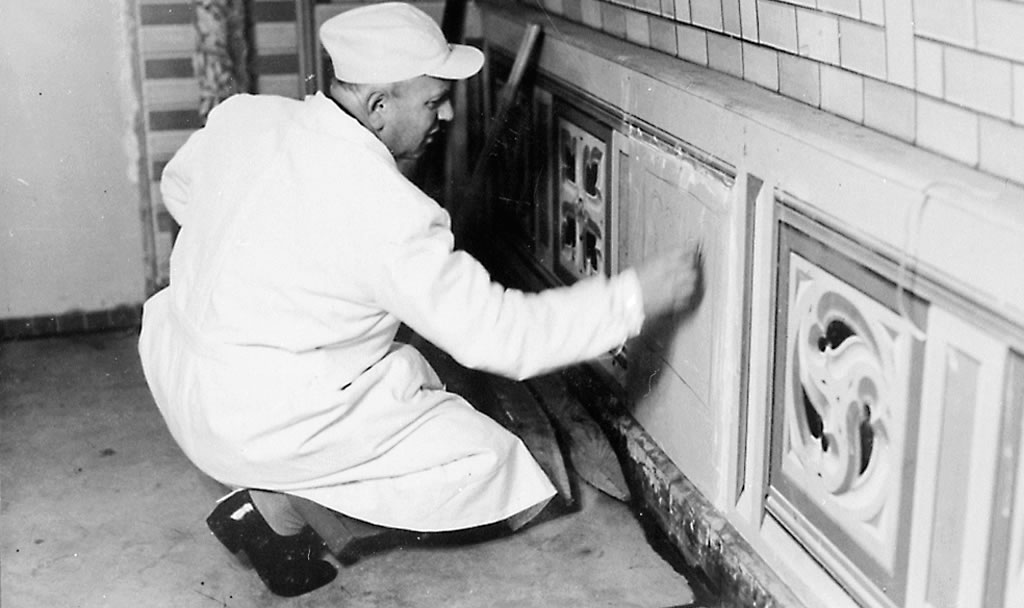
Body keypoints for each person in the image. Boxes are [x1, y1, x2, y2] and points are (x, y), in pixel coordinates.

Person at [138, 1, 700, 598]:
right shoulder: (386, 209)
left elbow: (180, 188)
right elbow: (500, 336)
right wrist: (635, 297)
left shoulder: (247, 118)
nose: (448, 112)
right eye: (433, 100)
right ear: (379, 108)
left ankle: (270, 504)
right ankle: (278, 505)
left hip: (181, 374)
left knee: (400, 368)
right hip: (259, 419)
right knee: (493, 465)